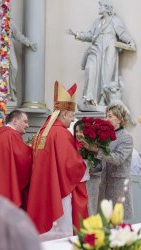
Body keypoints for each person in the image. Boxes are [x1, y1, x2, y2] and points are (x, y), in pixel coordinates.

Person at [27, 81, 88, 237]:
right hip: (58, 190)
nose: (72, 120)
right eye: (72, 115)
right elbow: (71, 165)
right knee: (60, 233)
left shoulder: (43, 131)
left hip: (42, 186)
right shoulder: (61, 133)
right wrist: (86, 161)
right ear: (64, 113)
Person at [68, 0, 136, 110]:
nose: (99, 8)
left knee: (106, 77)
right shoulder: (96, 22)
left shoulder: (115, 20)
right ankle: (89, 98)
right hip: (96, 50)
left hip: (109, 51)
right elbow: (91, 35)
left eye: (100, 6)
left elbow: (122, 33)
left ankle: (103, 100)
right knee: (90, 69)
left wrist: (130, 41)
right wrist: (77, 34)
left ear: (106, 7)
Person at [81, 104, 134, 220]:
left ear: (119, 119)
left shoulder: (126, 137)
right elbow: (101, 158)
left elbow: (118, 158)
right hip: (103, 183)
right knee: (104, 221)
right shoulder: (106, 136)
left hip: (118, 186)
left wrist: (97, 150)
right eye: (106, 116)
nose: (106, 119)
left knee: (117, 222)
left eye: (110, 116)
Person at [0, 110, 32, 210]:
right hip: (4, 186)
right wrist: (36, 152)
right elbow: (23, 159)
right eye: (25, 121)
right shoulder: (11, 135)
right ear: (15, 121)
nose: (27, 125)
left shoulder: (2, 135)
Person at [8, 21, 37, 102]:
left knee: (14, 67)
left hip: (8, 46)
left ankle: (10, 93)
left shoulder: (10, 22)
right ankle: (0, 93)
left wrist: (29, 43)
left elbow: (18, 35)